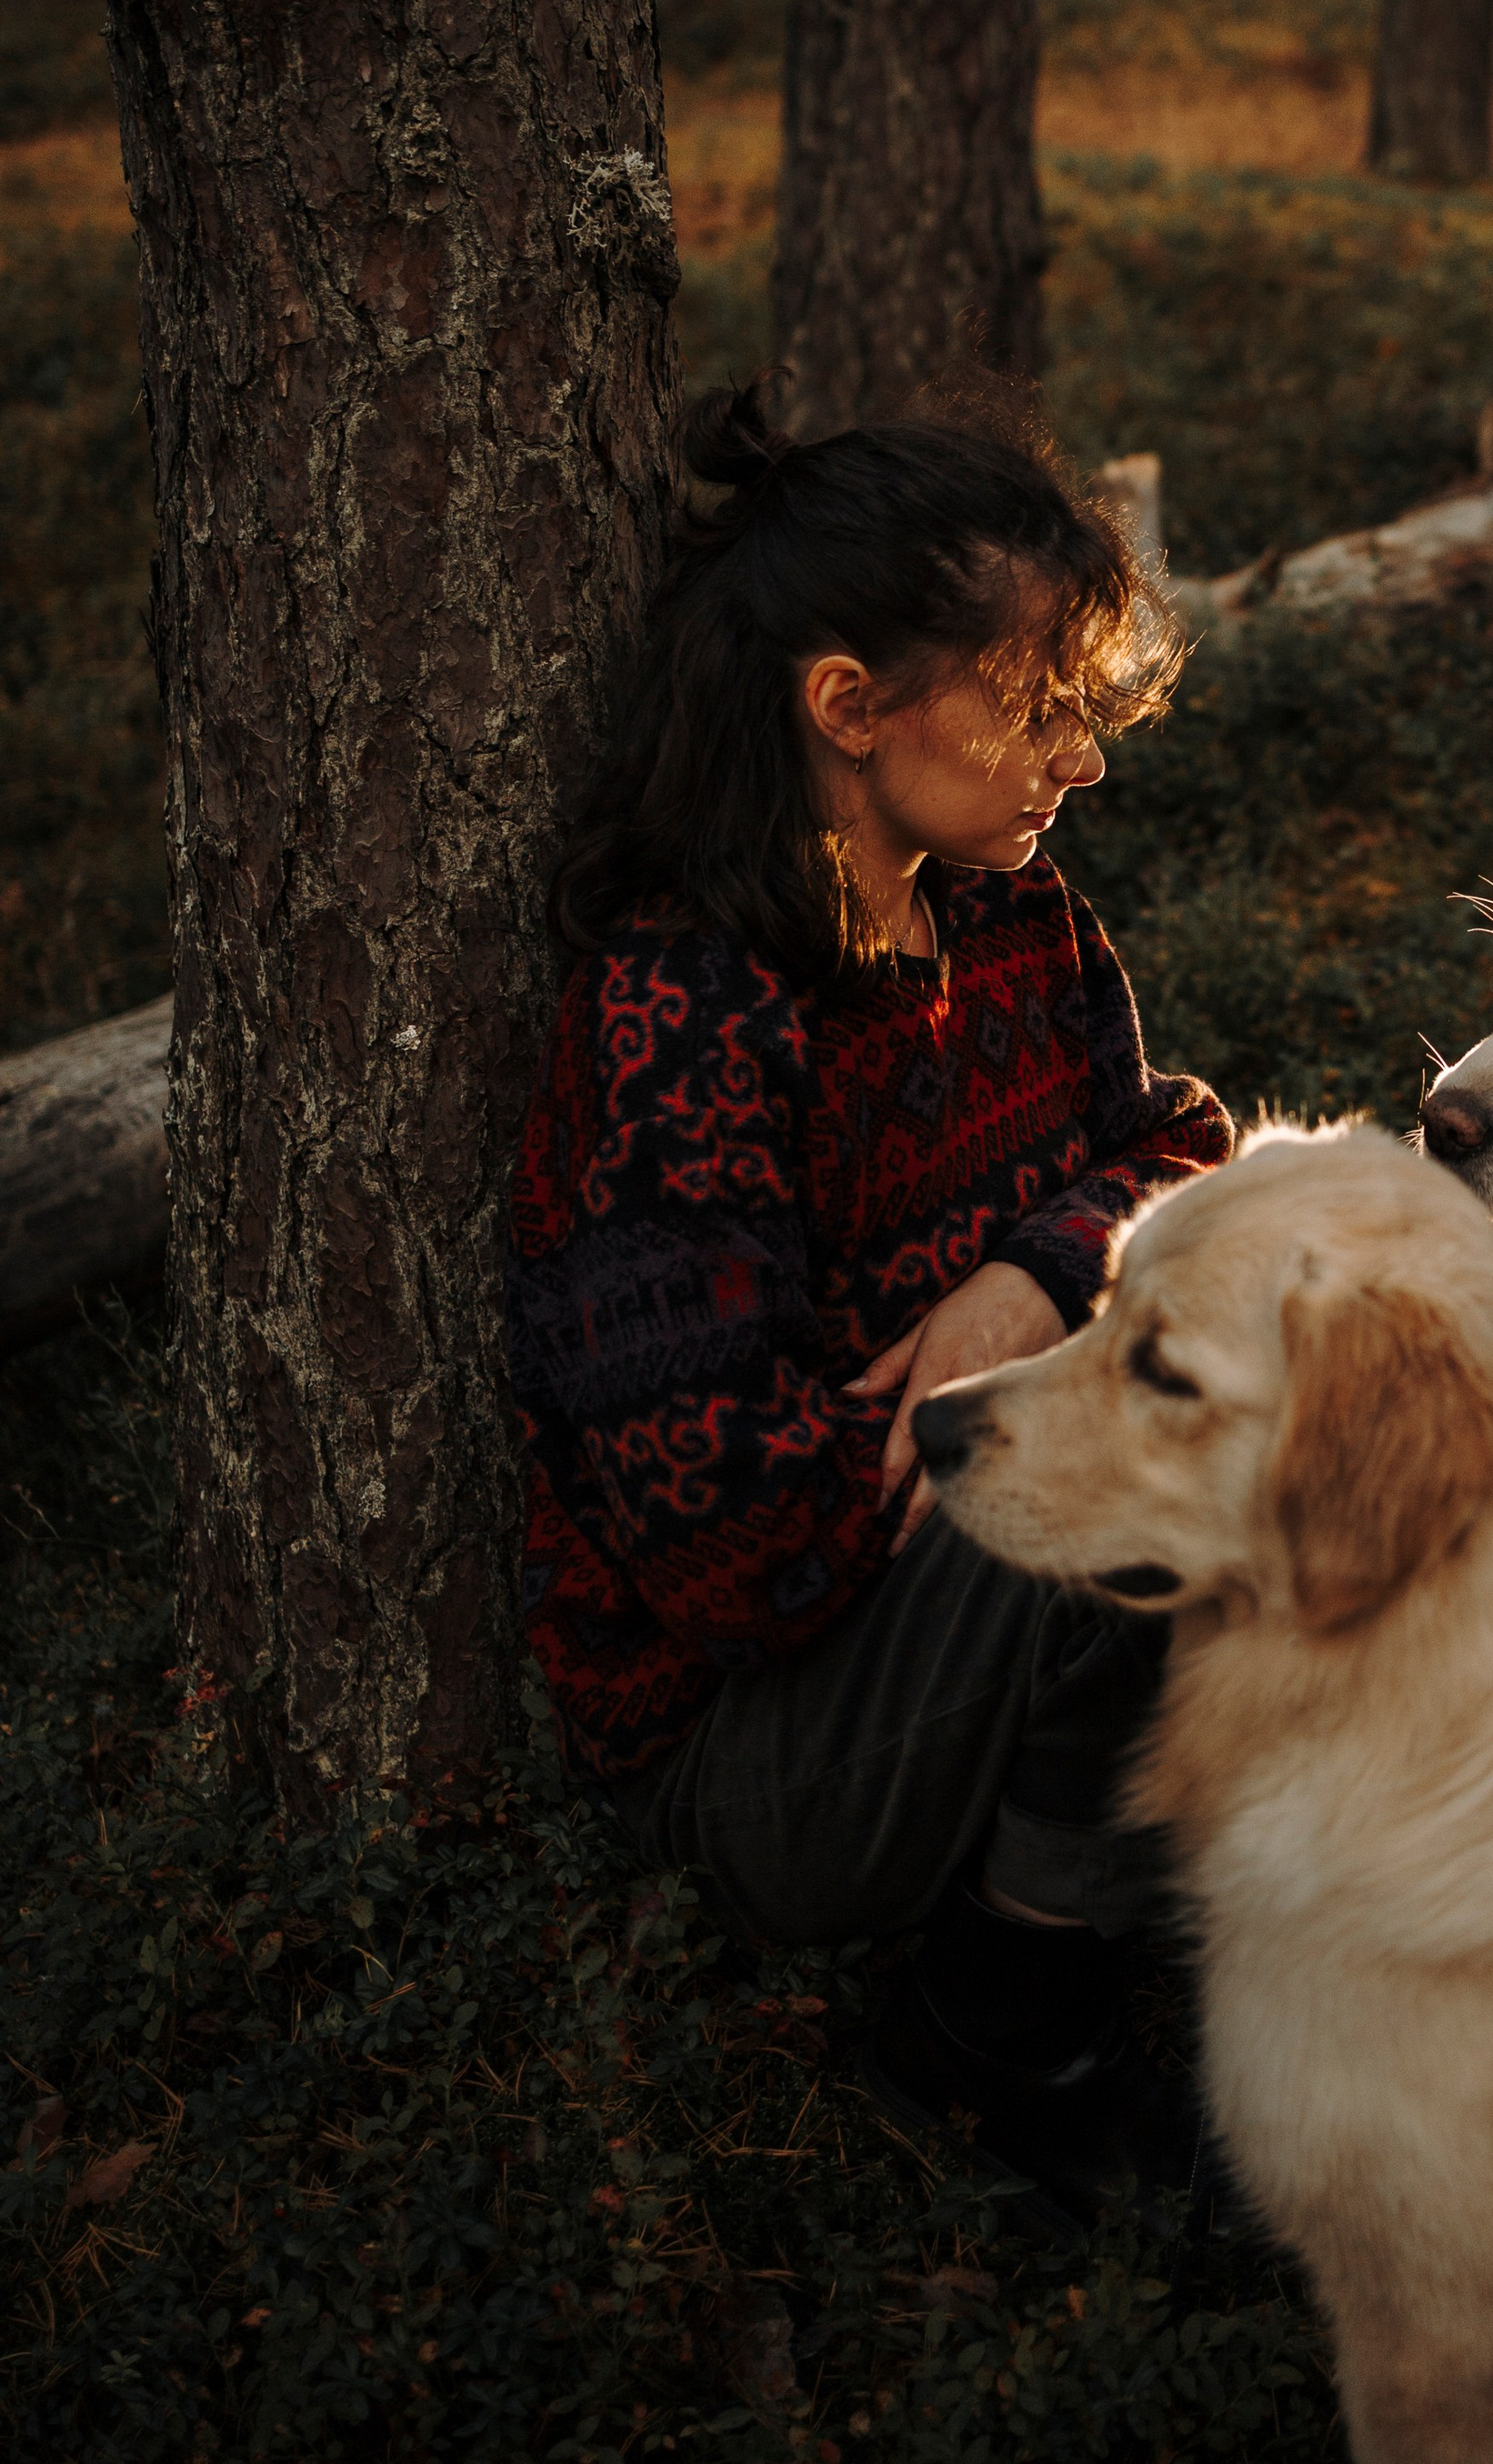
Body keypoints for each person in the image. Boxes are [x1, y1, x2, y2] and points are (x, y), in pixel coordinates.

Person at [502, 380, 1234, 2227]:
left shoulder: (1016, 924)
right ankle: (1002, 2023)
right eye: (1040, 703)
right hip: (758, 1741)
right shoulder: (686, 1021)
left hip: (961, 1584)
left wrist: (1029, 1279)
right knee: (1186, 1479)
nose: (1080, 761)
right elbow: (728, 1543)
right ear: (850, 706)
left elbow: (1180, 1154)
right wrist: (1020, 1428)